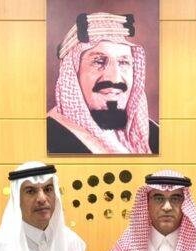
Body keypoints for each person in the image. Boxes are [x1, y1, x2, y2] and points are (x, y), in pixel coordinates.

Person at [48, 12, 159, 154]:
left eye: (123, 62)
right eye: (99, 61)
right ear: (72, 73)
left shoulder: (156, 135)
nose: (115, 78)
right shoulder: (50, 139)